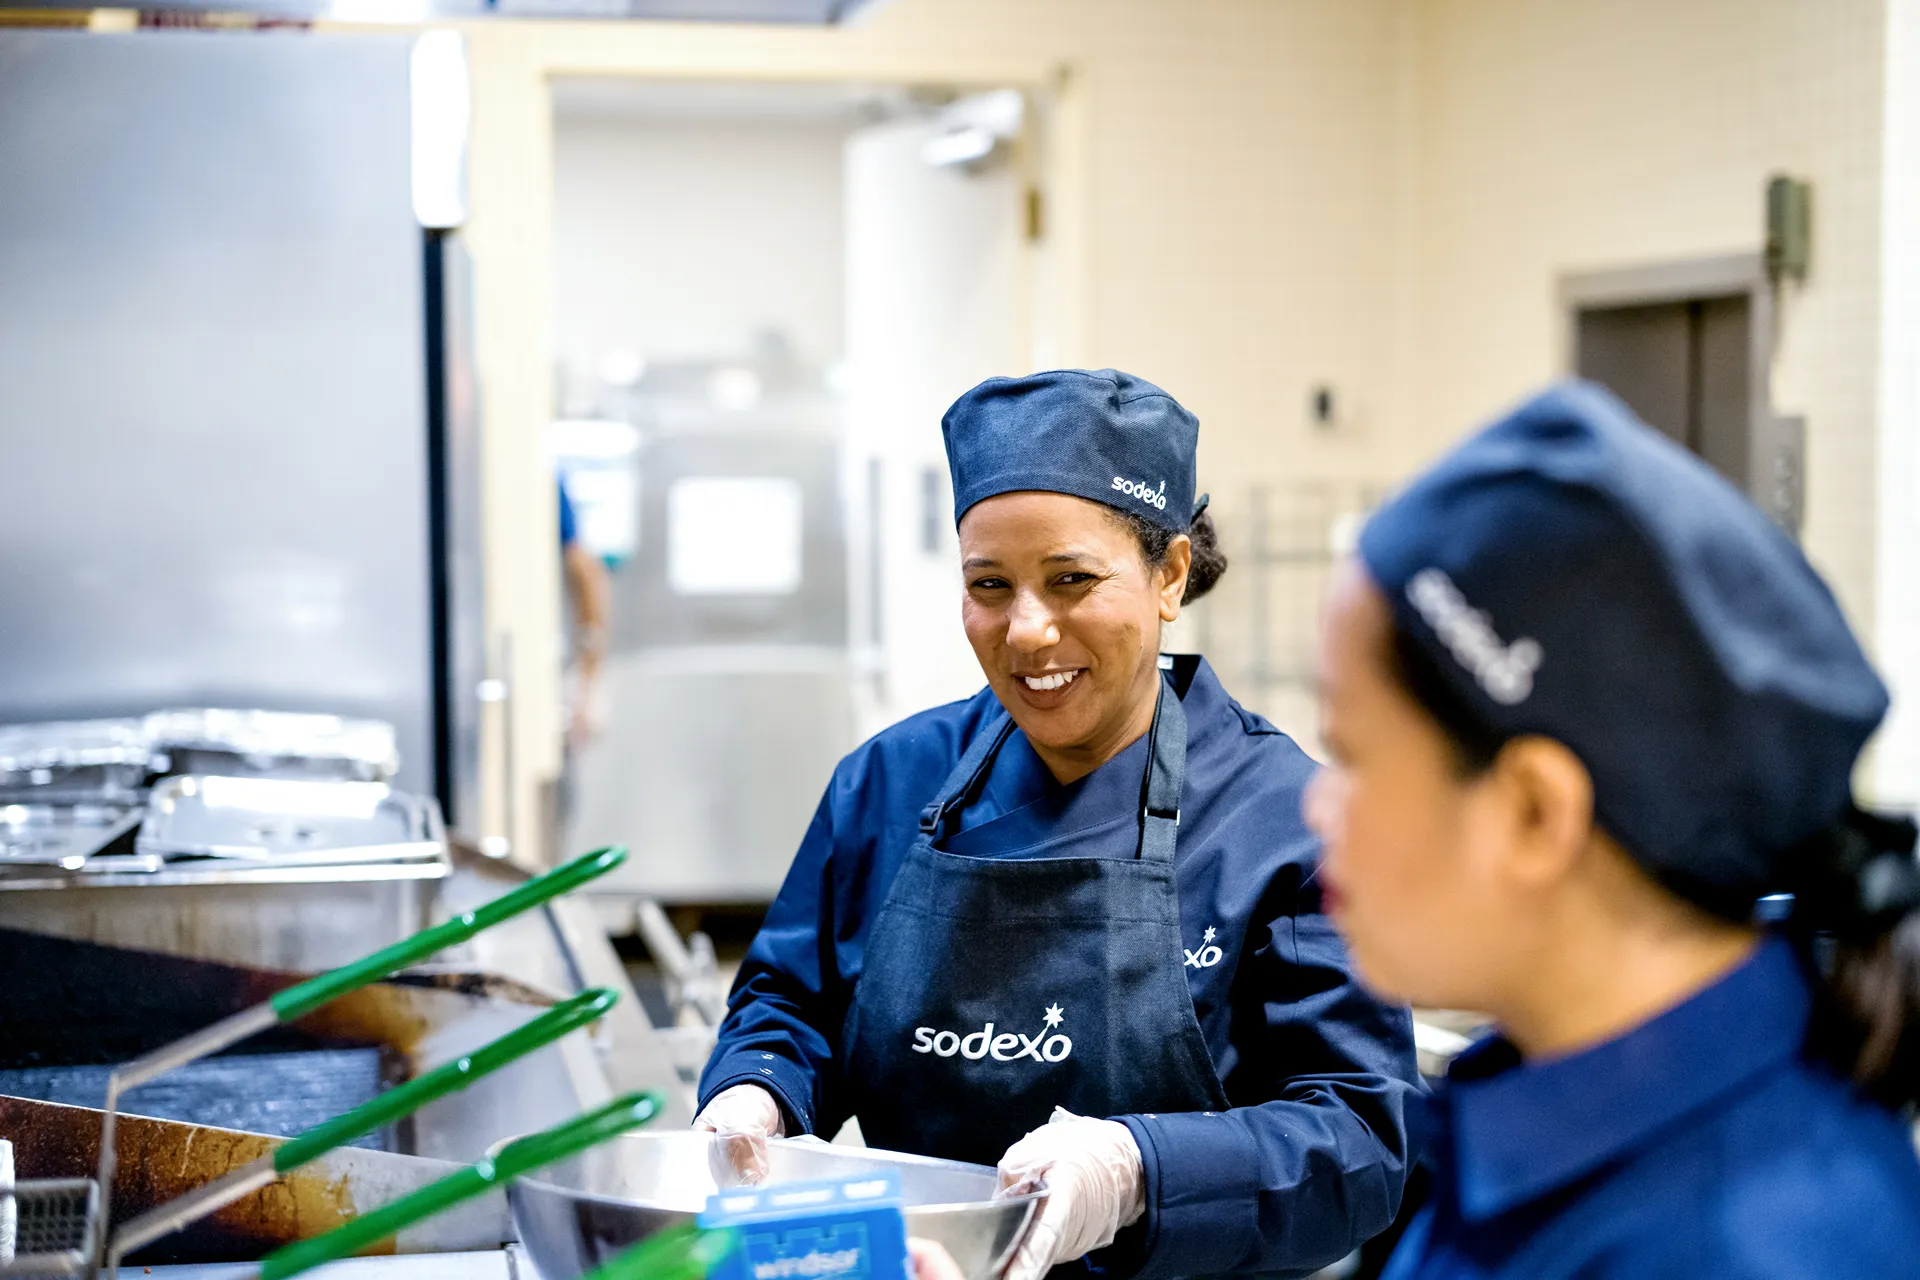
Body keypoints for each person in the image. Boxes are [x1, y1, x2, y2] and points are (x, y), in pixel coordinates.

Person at [696, 369, 1421, 1280]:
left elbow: (1360, 1135)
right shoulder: (888, 782)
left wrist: (1136, 1170)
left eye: (1072, 580)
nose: (1027, 630)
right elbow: (791, 1003)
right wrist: (754, 1094)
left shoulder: (1286, 824)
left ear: (1170, 575)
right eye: (989, 585)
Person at [1305, 380, 1920, 1278]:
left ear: (1533, 813)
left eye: (1350, 756)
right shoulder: (1540, 1099)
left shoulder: (1742, 1249)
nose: (1315, 805)